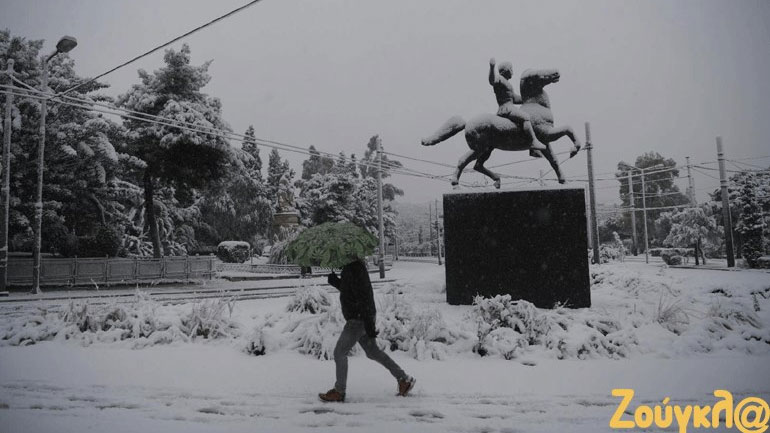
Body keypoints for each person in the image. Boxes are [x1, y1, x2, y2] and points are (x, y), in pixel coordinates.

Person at [318, 258, 415, 402]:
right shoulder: (351, 267)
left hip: (358, 319)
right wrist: (336, 282)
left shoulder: (355, 269)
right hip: (362, 317)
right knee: (372, 352)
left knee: (339, 352)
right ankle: (403, 379)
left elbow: (364, 297)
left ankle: (339, 391)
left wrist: (368, 323)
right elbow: (351, 293)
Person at [488, 57, 547, 156]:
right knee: (526, 117)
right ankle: (533, 142)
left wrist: (529, 99)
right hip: (506, 108)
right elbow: (492, 80)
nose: (512, 72)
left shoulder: (507, 83)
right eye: (511, 69)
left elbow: (514, 99)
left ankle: (532, 149)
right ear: (506, 70)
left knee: (526, 120)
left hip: (510, 106)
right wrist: (492, 67)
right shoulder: (499, 79)